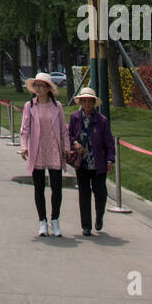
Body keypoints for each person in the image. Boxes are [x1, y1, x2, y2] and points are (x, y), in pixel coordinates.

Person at [20, 72, 69, 237]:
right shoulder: (30, 106)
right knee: (39, 187)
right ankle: (42, 221)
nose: (38, 89)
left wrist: (66, 147)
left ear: (48, 88)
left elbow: (63, 130)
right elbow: (25, 129)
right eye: (36, 86)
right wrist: (24, 147)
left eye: (41, 85)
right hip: (37, 149)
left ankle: (55, 220)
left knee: (56, 188)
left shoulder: (57, 107)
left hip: (54, 149)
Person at [68, 87, 116, 236]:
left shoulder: (102, 120)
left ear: (94, 103)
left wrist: (110, 160)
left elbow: (109, 141)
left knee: (100, 193)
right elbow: (68, 136)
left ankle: (99, 217)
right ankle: (86, 225)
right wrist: (75, 143)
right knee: (84, 193)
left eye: (90, 101)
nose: (87, 104)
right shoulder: (75, 117)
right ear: (81, 102)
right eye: (84, 101)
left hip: (98, 163)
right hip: (81, 162)